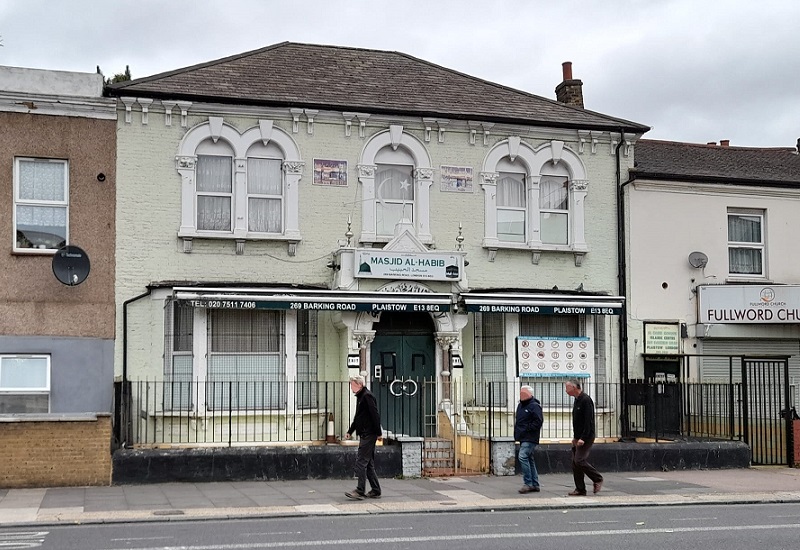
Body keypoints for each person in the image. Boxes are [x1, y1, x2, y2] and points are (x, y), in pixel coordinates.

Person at [344, 374, 382, 500]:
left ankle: (360, 490)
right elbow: (358, 417)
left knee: (361, 462)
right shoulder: (361, 397)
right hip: (366, 433)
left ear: (359, 384)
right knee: (369, 464)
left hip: (369, 434)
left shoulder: (367, 397)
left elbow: (375, 415)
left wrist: (379, 432)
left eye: (352, 385)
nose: (351, 388)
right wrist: (350, 431)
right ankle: (376, 490)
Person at [565, 378, 603, 496]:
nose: (566, 391)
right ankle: (580, 489)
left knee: (579, 460)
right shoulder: (577, 400)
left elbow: (588, 421)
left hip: (586, 436)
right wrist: (575, 437)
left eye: (567, 388)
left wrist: (583, 438)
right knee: (575, 463)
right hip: (578, 437)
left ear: (574, 388)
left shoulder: (586, 400)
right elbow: (577, 422)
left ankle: (597, 478)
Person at [514, 385, 543, 493]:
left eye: (524, 393)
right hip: (523, 436)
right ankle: (534, 484)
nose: (521, 395)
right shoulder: (520, 406)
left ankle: (528, 483)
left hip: (530, 437)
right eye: (521, 393)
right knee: (529, 459)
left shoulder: (534, 406)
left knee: (522, 456)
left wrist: (527, 429)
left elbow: (538, 421)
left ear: (530, 394)